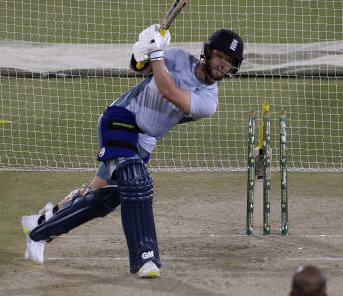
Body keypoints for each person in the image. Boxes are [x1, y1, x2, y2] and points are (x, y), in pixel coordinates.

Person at [21, 23, 245, 279]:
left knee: (102, 197)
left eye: (229, 62)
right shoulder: (179, 57)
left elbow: (169, 91)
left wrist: (156, 53)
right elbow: (138, 68)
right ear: (208, 52)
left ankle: (40, 224)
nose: (222, 64)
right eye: (220, 56)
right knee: (136, 181)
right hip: (123, 117)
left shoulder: (209, 102)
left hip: (145, 139)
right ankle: (145, 258)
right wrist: (142, 50)